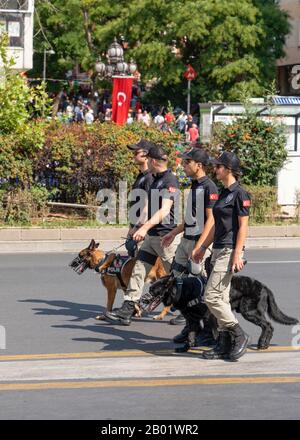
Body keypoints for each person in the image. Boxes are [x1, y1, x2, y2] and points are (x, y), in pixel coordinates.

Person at [106, 145, 180, 325]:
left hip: (165, 237)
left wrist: (144, 228)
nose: (146, 161)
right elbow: (148, 205)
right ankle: (128, 307)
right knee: (139, 270)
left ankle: (191, 309)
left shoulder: (170, 180)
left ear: (153, 161)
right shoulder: (155, 179)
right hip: (151, 237)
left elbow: (164, 210)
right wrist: (137, 226)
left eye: (148, 158)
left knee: (177, 275)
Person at [192, 151, 251, 361]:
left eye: (218, 167)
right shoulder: (224, 193)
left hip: (229, 250)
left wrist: (238, 253)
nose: (215, 169)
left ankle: (239, 334)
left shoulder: (239, 194)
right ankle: (224, 344)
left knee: (211, 296)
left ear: (228, 169)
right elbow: (216, 224)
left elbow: (243, 226)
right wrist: (202, 248)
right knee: (222, 299)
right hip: (217, 249)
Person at [161, 148, 218, 334]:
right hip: (185, 240)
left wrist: (201, 246)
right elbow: (190, 217)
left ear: (199, 165)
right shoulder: (194, 185)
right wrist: (173, 233)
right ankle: (187, 312)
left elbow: (211, 219)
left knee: (198, 282)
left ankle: (202, 323)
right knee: (177, 275)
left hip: (198, 243)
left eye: (187, 162)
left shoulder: (210, 187)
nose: (184, 166)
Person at [127, 139, 155, 238]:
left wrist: (138, 227)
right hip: (135, 227)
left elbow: (149, 206)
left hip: (142, 231)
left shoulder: (150, 177)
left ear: (146, 155)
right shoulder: (141, 176)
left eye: (136, 152)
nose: (133, 155)